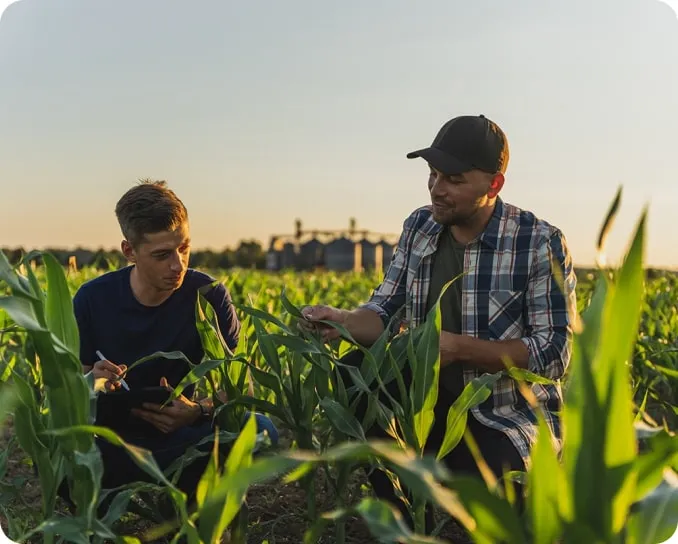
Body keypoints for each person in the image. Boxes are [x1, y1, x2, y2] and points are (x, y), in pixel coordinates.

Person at [299, 114, 577, 530]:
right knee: (356, 378)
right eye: (432, 174)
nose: (436, 189)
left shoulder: (538, 242)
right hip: (423, 406)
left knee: (496, 505)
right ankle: (401, 521)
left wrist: (459, 349)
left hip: (500, 413)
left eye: (453, 179)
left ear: (494, 184)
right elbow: (384, 311)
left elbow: (554, 354)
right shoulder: (420, 226)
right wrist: (339, 320)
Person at [63, 180, 278, 515]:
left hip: (183, 432)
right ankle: (109, 512)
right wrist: (94, 381)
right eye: (162, 255)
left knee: (262, 430)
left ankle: (188, 503)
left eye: (184, 248)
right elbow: (69, 388)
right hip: (113, 441)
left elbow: (241, 386)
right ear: (129, 252)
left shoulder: (208, 295)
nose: (177, 265)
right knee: (54, 450)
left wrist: (198, 410)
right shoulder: (92, 299)